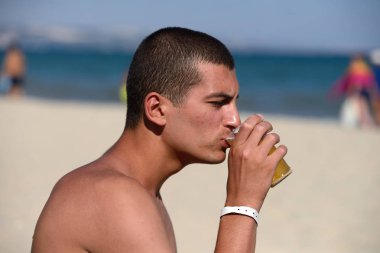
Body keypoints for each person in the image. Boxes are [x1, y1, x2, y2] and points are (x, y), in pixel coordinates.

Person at [31, 27, 287, 253]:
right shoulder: (112, 195)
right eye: (218, 103)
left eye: (233, 103)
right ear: (156, 109)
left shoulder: (141, 192)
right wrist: (242, 204)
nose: (234, 119)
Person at [330, 54, 376, 128]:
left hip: (356, 90)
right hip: (364, 90)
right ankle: (366, 122)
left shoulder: (354, 67)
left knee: (358, 106)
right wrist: (373, 92)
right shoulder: (365, 68)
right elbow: (370, 81)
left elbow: (350, 80)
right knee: (363, 106)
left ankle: (363, 122)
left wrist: (344, 90)